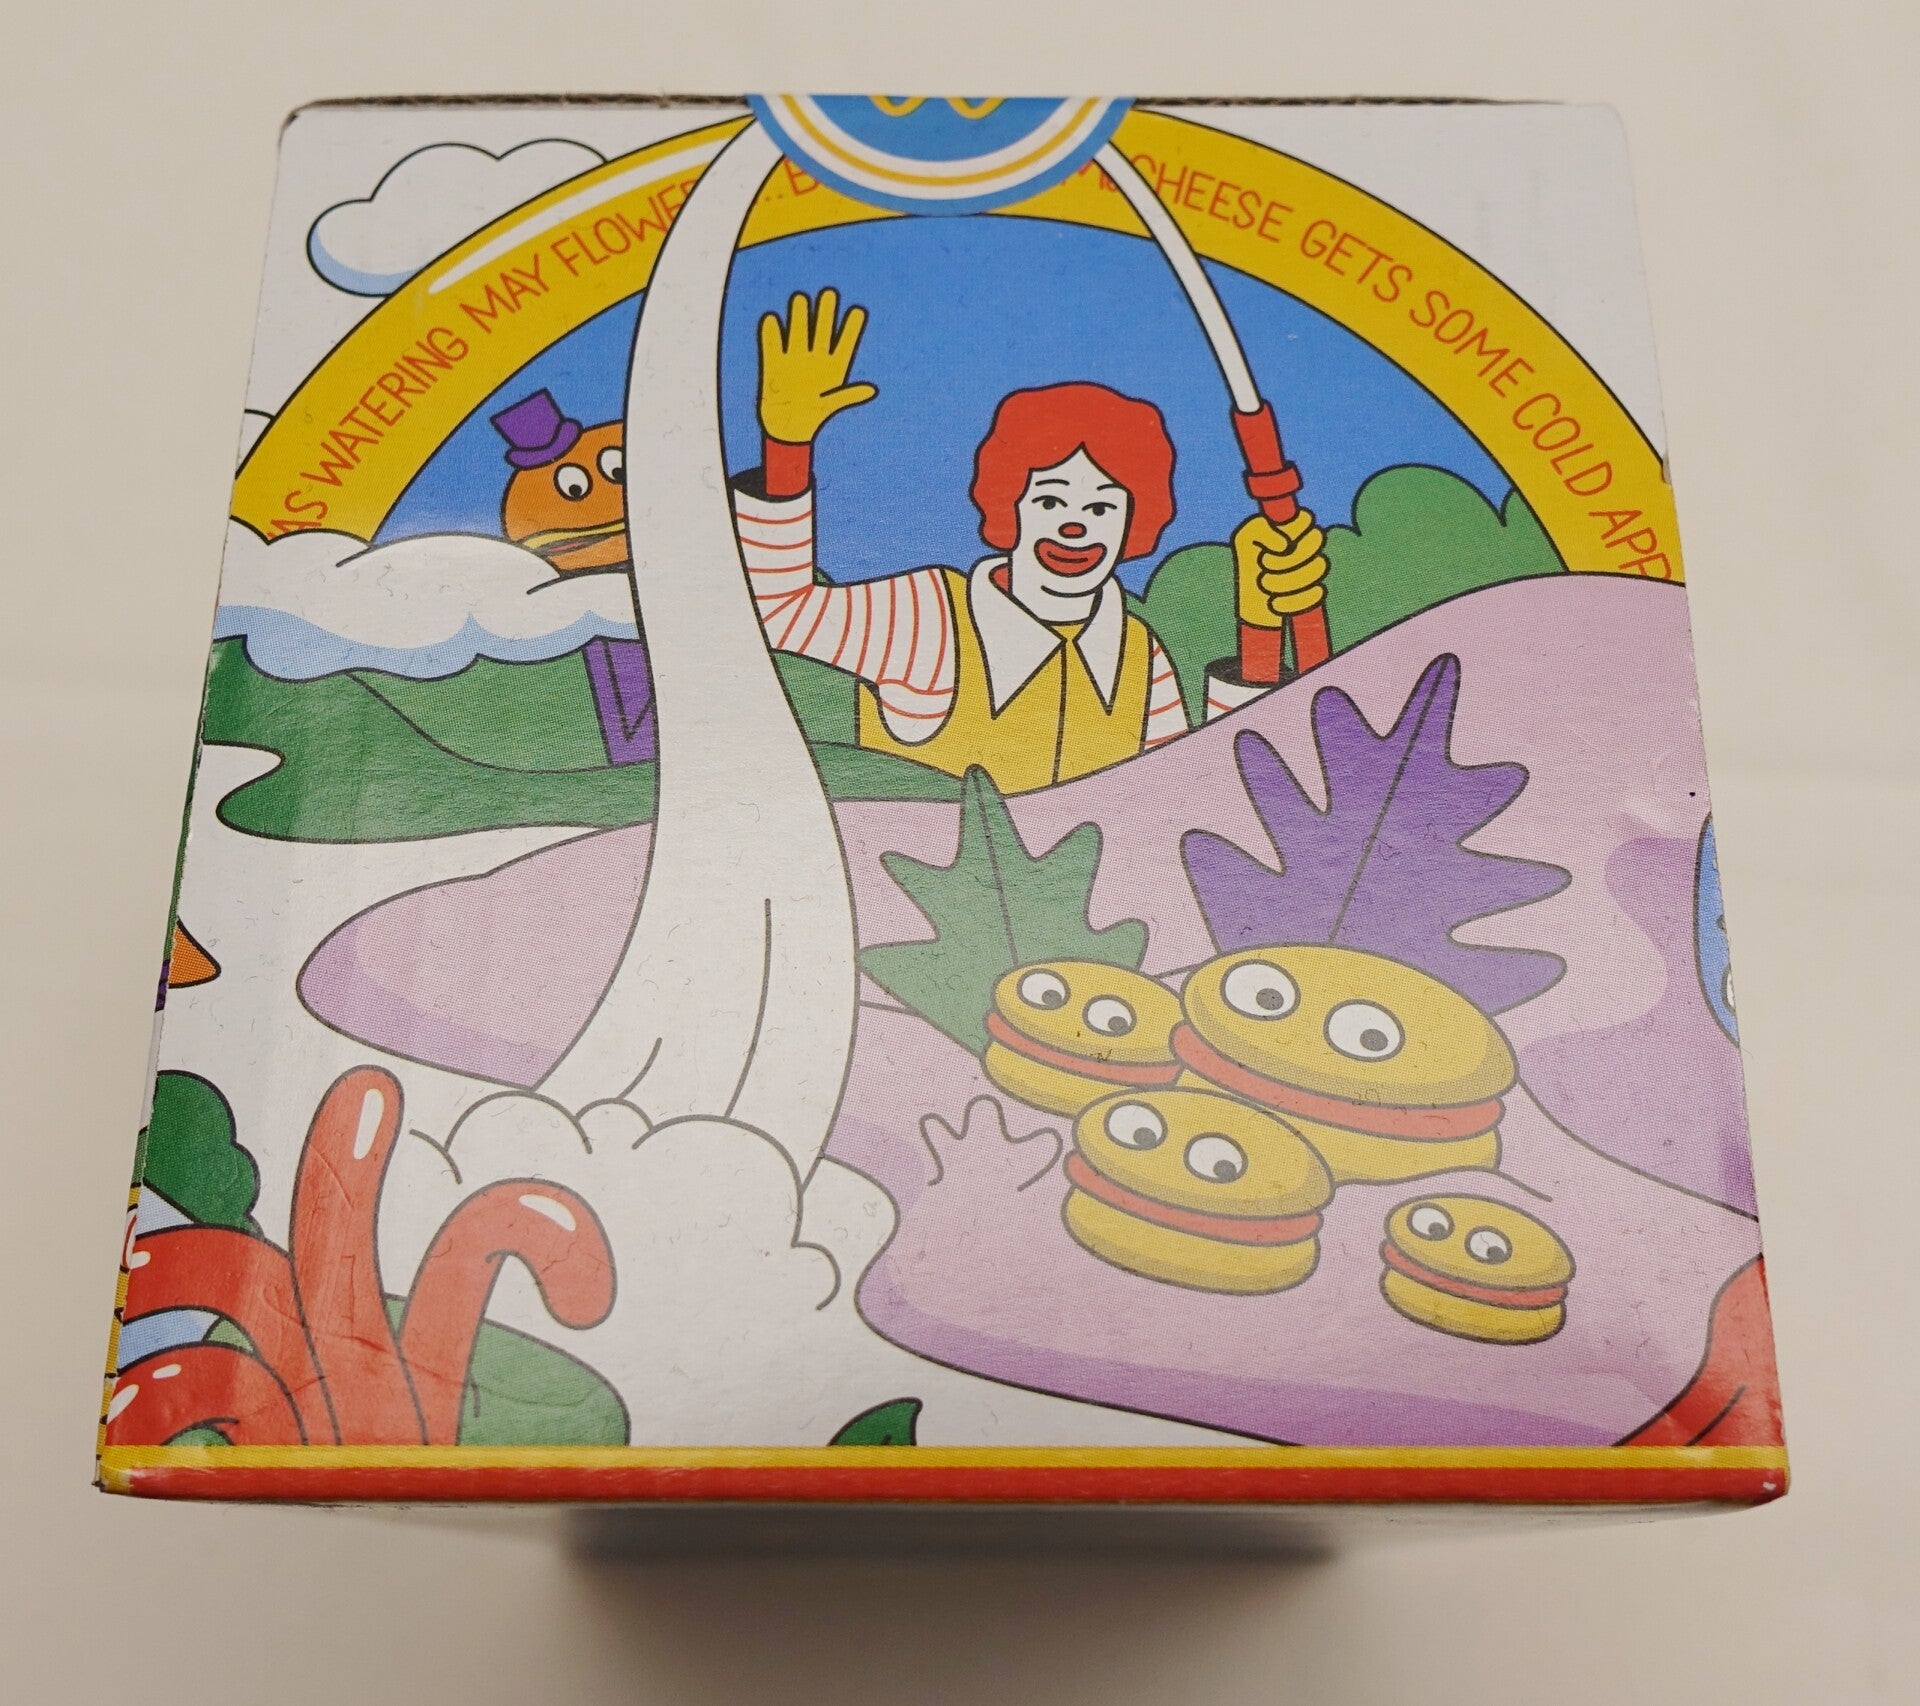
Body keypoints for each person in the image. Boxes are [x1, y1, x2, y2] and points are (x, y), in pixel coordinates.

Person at [730, 290, 1329, 794]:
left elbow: (1185, 792)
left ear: (1133, 524)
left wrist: (1258, 625)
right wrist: (787, 451)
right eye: (1050, 501)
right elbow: (776, 614)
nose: (1075, 526)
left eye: (1101, 507)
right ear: (1010, 506)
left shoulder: (1139, 658)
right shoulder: (930, 620)